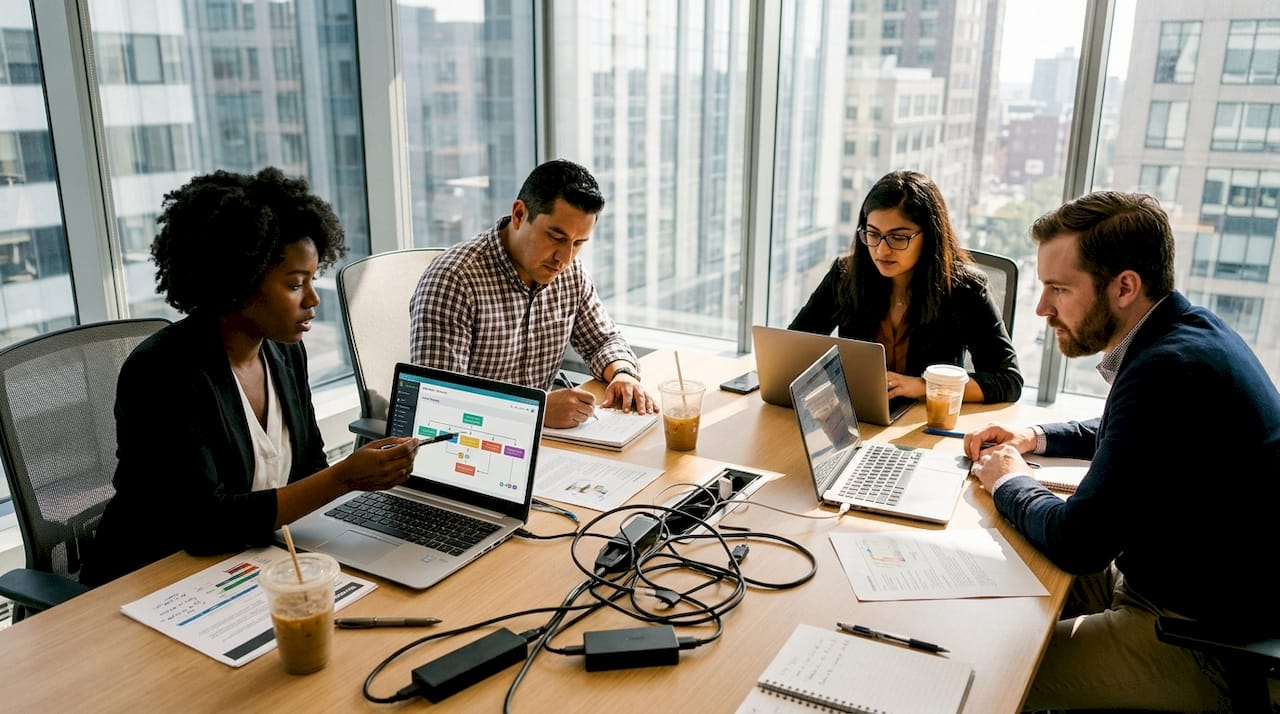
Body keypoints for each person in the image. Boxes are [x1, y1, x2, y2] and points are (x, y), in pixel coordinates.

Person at [966, 191, 1280, 711]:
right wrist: (1035, 438)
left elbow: (1077, 544)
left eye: (1059, 288)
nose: (1043, 308)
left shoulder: (1166, 370)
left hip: (1200, 639)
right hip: (1170, 586)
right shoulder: (1189, 333)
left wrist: (1007, 479)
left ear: (1125, 287)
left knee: (985, 671)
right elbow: (1128, 428)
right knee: (998, 589)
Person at [83, 168, 420, 587]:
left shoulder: (284, 351)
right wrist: (343, 478)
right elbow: (203, 524)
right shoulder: (164, 371)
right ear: (238, 281)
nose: (313, 299)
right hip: (156, 579)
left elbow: (309, 466)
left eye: (312, 280)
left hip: (251, 563)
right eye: (295, 284)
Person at [409, 158, 656, 429]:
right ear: (519, 215)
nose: (564, 258)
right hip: (471, 443)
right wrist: (535, 411)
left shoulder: (570, 272)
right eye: (556, 238)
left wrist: (622, 373)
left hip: (543, 438)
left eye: (578, 243)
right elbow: (439, 404)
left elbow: (602, 341)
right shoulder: (454, 281)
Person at [789, 170, 1022, 404]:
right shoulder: (844, 276)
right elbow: (792, 351)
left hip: (925, 418)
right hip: (860, 416)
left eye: (898, 237)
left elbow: (1008, 380)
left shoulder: (965, 289)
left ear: (929, 236)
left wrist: (924, 386)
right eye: (873, 234)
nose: (882, 250)